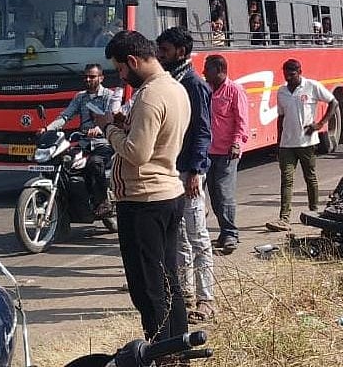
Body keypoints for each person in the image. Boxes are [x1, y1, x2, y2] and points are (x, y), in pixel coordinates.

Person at [95, 31, 190, 343]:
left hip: (145, 199)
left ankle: (162, 350)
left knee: (149, 286)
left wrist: (108, 127)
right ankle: (177, 346)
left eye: (121, 69)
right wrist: (127, 126)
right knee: (166, 280)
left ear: (133, 61)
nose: (122, 75)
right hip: (165, 194)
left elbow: (137, 152)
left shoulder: (150, 95)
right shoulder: (174, 88)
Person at [155, 27, 215, 324]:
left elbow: (203, 132)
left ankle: (206, 299)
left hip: (189, 172)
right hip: (171, 171)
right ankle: (186, 295)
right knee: (178, 237)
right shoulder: (171, 82)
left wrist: (195, 171)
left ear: (180, 52)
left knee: (197, 236)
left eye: (164, 50)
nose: (159, 55)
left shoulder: (194, 85)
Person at [39, 63, 122, 217]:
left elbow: (111, 118)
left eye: (92, 76)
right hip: (84, 143)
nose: (88, 79)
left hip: (104, 143)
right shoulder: (80, 97)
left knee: (95, 162)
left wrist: (99, 129)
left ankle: (103, 201)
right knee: (64, 161)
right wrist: (48, 129)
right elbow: (65, 116)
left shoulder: (109, 96)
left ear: (101, 78)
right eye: (86, 77)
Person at [266, 59, 339, 232]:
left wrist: (320, 124)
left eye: (291, 75)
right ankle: (284, 218)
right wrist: (278, 142)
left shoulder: (312, 86)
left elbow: (333, 102)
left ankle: (314, 210)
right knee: (286, 179)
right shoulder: (282, 91)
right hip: (287, 143)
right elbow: (281, 117)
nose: (288, 79)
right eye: (286, 76)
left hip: (307, 142)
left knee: (310, 177)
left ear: (299, 72)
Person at [202, 55, 249, 250]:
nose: (204, 72)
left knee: (224, 193)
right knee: (212, 193)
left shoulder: (235, 90)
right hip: (208, 151)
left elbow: (242, 120)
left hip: (227, 152)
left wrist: (237, 143)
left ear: (219, 69)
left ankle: (230, 233)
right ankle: (223, 233)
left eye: (207, 69)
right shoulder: (206, 89)